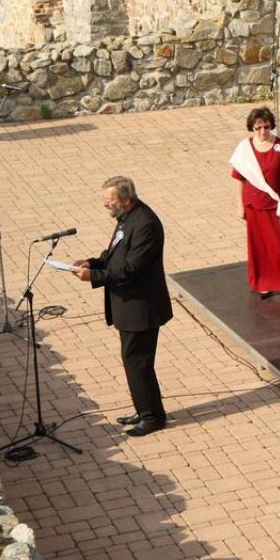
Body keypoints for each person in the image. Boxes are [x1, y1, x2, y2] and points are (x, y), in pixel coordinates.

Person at [74, 177, 173, 437]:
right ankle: (144, 409)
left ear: (127, 200)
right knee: (133, 361)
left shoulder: (145, 224)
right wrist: (93, 262)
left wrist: (94, 277)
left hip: (141, 307)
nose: (106, 205)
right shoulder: (127, 217)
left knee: (139, 363)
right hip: (129, 306)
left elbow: (131, 268)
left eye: (110, 201)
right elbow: (116, 253)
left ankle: (152, 417)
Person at [230, 107, 280, 299]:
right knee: (258, 245)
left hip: (276, 204)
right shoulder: (245, 148)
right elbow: (238, 177)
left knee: (278, 243)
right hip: (254, 204)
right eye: (258, 128)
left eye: (266, 127)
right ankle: (263, 283)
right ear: (252, 128)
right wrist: (239, 205)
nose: (262, 131)